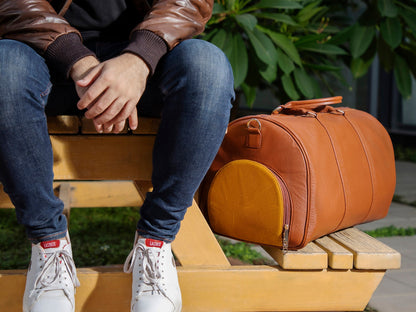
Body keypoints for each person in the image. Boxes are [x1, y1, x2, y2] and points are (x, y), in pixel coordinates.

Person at [0, 1, 234, 311]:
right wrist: (78, 61)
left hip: (146, 59)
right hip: (41, 50)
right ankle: (49, 244)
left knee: (208, 67)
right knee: (3, 67)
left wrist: (139, 59)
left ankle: (155, 241)